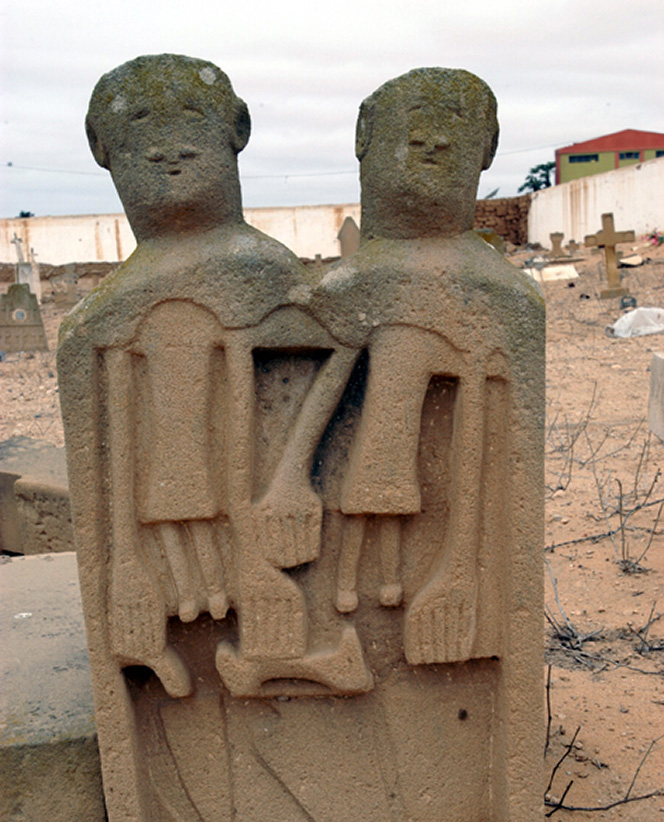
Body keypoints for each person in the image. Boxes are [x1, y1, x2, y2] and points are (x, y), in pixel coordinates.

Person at [60, 54, 369, 699]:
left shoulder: (268, 277)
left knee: (276, 598)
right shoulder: (109, 315)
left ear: (237, 130)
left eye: (191, 118)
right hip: (167, 516)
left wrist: (290, 475)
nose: (168, 146)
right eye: (140, 122)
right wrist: (122, 558)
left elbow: (345, 348)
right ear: (102, 149)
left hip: (255, 513)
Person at [311, 67, 544, 664]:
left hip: (404, 458)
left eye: (456, 125)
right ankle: (350, 591)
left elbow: (479, 408)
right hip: (370, 447)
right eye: (416, 123)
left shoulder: (495, 298)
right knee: (365, 506)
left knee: (386, 509)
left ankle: (381, 587)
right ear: (366, 136)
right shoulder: (342, 296)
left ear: (485, 150)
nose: (436, 140)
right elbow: (328, 379)